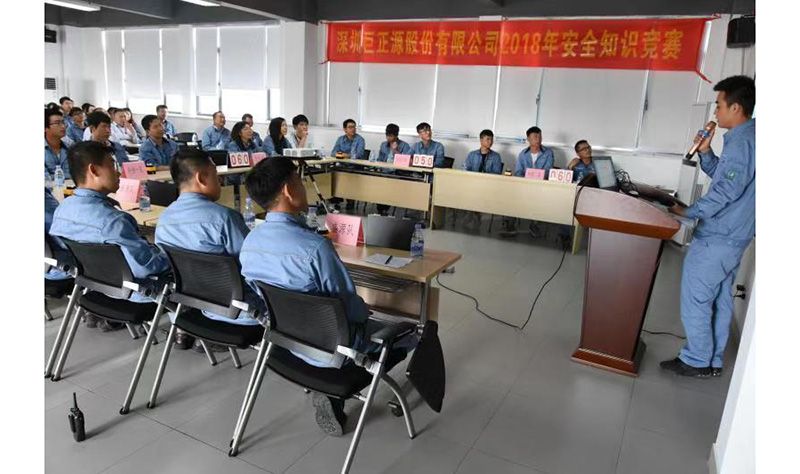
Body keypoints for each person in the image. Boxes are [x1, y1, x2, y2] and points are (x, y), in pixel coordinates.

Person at [240, 157, 417, 436]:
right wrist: (367, 312)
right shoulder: (315, 248)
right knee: (416, 332)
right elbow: (349, 308)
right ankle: (405, 397)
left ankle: (328, 392)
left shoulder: (250, 242)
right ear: (288, 190)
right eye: (299, 181)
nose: (303, 186)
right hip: (337, 351)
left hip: (288, 341)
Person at [660, 75, 756, 378]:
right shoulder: (747, 139)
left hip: (718, 237)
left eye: (719, 105)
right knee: (720, 299)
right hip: (733, 237)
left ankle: (697, 360)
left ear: (735, 107)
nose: (715, 112)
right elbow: (725, 177)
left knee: (697, 299)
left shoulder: (743, 143)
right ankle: (712, 360)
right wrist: (705, 151)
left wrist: (688, 211)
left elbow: (727, 191)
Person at [49, 141, 170, 330]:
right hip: (137, 292)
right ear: (94, 170)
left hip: (97, 285)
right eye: (113, 166)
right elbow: (145, 268)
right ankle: (183, 333)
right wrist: (168, 256)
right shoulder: (114, 221)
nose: (119, 173)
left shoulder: (62, 210)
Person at [155, 148, 257, 351]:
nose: (220, 182)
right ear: (201, 178)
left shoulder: (164, 218)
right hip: (239, 311)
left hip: (193, 304)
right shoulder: (224, 218)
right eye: (216, 176)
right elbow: (253, 265)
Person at [503, 126, 556, 236]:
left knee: (538, 197)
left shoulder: (548, 153)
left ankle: (534, 225)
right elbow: (518, 171)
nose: (538, 139)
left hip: (541, 186)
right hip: (524, 185)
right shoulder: (523, 154)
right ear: (528, 139)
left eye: (540, 136)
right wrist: (527, 181)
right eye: (535, 136)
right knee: (511, 194)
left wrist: (534, 178)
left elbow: (547, 171)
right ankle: (510, 224)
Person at [45, 109, 71, 180]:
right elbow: (45, 178)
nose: (63, 126)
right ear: (45, 128)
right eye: (57, 123)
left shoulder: (69, 148)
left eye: (63, 122)